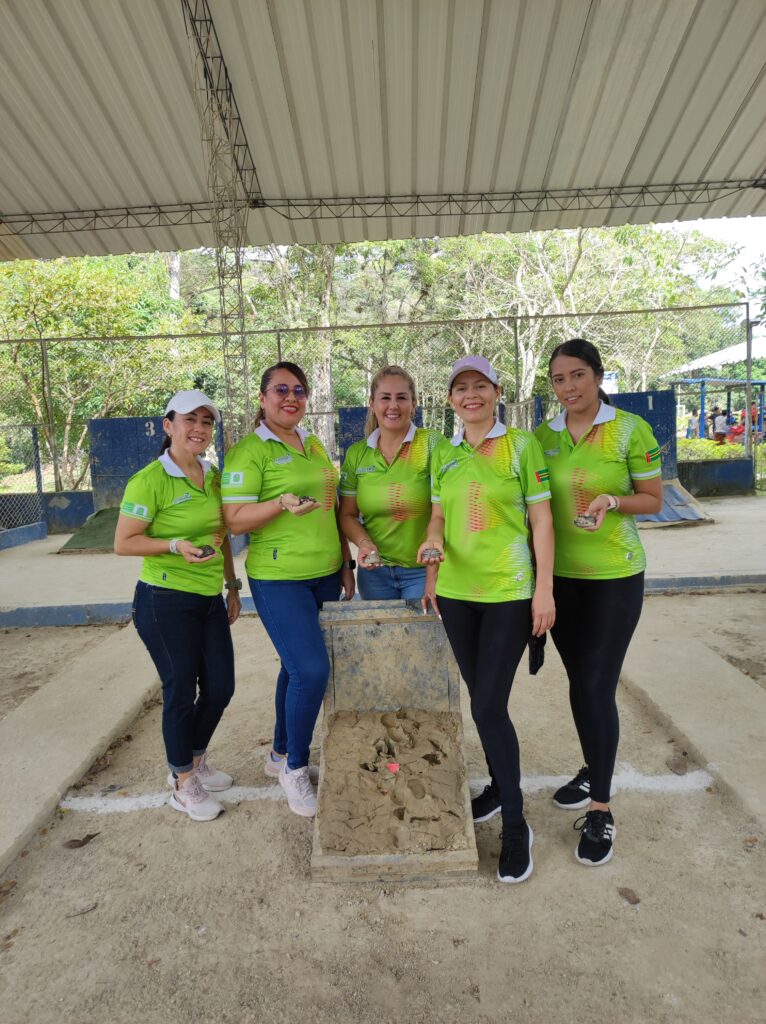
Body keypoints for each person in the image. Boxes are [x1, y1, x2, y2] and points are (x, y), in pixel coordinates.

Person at [419, 355, 555, 884]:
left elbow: (541, 519)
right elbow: (438, 513)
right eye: (460, 388)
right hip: (455, 592)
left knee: (488, 704)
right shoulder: (443, 451)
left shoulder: (522, 446)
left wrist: (544, 590)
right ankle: (500, 787)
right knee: (483, 704)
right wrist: (432, 546)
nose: (470, 395)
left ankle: (517, 823)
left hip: (508, 593)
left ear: (497, 392)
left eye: (480, 386)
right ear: (450, 398)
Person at [535, 338, 663, 866]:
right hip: (560, 580)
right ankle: (595, 762)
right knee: (581, 683)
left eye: (578, 376)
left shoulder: (631, 429)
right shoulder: (541, 437)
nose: (569, 388)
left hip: (614, 577)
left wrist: (612, 501)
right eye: (559, 380)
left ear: (598, 375)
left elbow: (653, 499)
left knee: (595, 683)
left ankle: (601, 808)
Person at [221, 362, 355, 818]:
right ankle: (295, 767)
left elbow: (332, 507)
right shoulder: (249, 452)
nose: (291, 397)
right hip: (279, 577)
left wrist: (345, 563)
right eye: (281, 390)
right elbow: (234, 520)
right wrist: (279, 503)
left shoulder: (312, 443)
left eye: (299, 390)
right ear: (262, 398)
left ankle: (279, 752)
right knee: (312, 671)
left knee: (294, 668)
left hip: (325, 573)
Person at [114, 390, 240, 822]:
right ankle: (182, 780)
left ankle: (195, 758)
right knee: (181, 690)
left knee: (221, 687)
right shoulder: (149, 479)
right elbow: (123, 542)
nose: (199, 428)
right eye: (190, 419)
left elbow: (221, 536)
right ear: (169, 426)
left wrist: (232, 586)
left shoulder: (214, 475)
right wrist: (173, 545)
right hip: (163, 601)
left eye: (207, 421)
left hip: (208, 598)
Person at [339, 366, 442, 600]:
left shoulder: (432, 444)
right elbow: (346, 515)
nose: (393, 406)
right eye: (385, 397)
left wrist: (433, 573)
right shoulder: (357, 454)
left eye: (402, 398)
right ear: (372, 404)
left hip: (421, 570)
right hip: (375, 574)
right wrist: (364, 544)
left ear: (414, 404)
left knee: (420, 637)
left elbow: (445, 509)